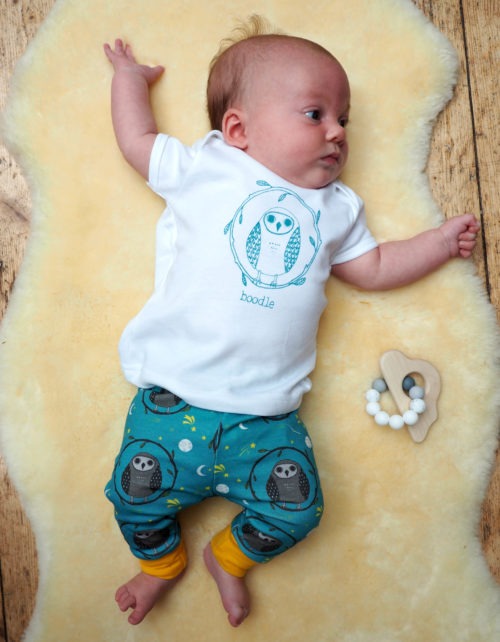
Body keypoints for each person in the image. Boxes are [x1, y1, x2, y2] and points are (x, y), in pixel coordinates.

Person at [103, 16, 479, 629]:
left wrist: (437, 243)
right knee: (132, 499)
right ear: (238, 129)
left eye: (343, 119)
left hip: (268, 418)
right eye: (315, 114)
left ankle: (230, 557)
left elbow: (376, 267)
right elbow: (137, 140)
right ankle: (161, 566)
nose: (336, 132)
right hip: (171, 400)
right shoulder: (209, 168)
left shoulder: (339, 209)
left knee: (299, 510)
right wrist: (129, 80)